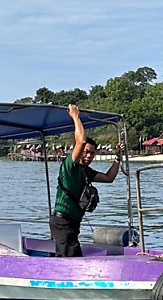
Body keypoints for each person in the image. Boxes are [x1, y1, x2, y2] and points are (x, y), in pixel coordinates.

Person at [49, 104, 123, 256]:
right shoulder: (70, 165)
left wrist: (117, 158)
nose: (89, 156)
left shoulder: (86, 172)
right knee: (72, 257)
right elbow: (81, 141)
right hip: (62, 222)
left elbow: (109, 178)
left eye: (92, 153)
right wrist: (75, 116)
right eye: (86, 152)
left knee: (65, 255)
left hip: (74, 223)